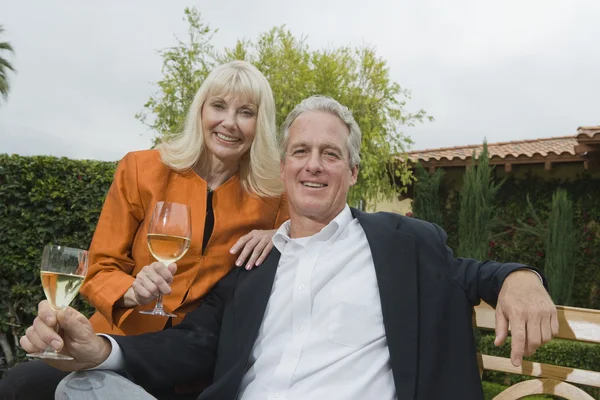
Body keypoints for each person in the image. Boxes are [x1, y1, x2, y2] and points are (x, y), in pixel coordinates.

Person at [20, 96, 558, 399]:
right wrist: (102, 349)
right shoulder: (252, 264)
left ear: (351, 171)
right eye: (300, 151)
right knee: (81, 389)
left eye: (330, 153)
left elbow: (474, 274)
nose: (313, 164)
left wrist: (522, 277)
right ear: (283, 170)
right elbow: (193, 346)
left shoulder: (403, 244)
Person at [0, 61, 289, 400]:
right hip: (115, 339)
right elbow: (99, 268)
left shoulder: (274, 198)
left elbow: (319, 233)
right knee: (20, 385)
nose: (229, 122)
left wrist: (282, 234)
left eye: (246, 112)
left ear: (260, 124)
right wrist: (132, 292)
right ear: (200, 111)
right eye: (219, 106)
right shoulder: (143, 170)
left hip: (193, 360)